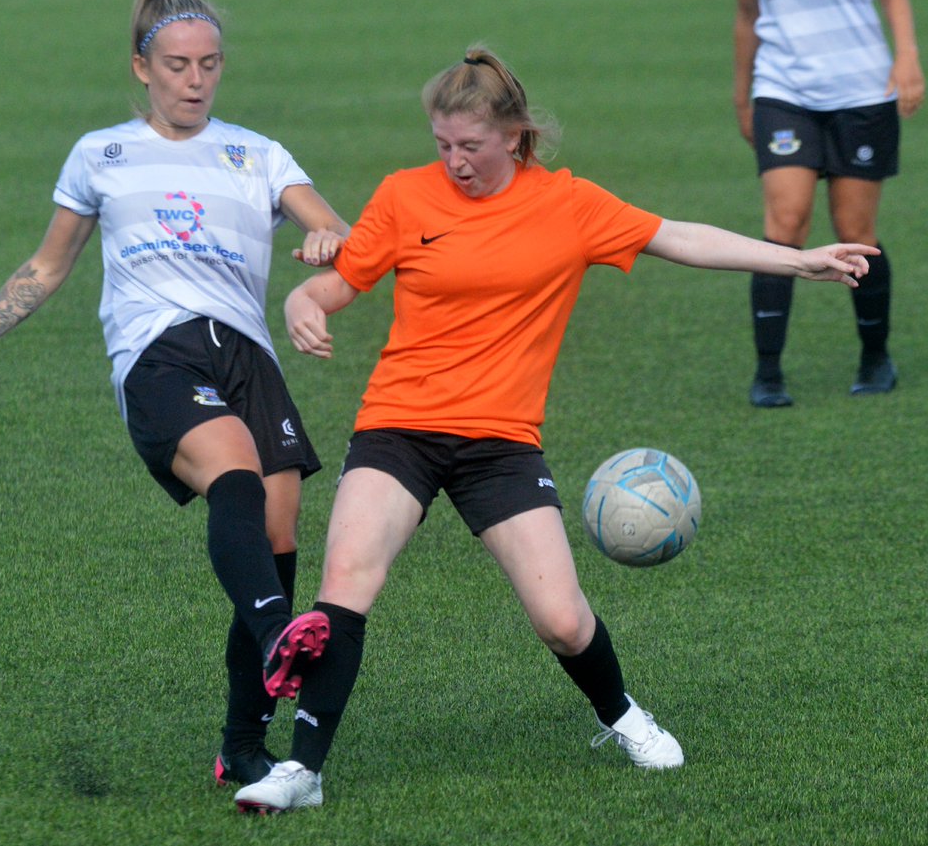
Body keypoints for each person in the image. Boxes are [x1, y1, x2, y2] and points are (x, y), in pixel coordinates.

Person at [230, 45, 879, 813]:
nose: (454, 162)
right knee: (345, 584)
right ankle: (302, 770)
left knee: (563, 620)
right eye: (442, 144)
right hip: (398, 426)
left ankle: (622, 713)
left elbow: (679, 236)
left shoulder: (568, 205)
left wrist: (798, 262)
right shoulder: (405, 195)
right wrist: (303, 303)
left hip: (501, 442)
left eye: (470, 145)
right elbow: (336, 283)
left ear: (515, 136)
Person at [0, 0, 350, 789]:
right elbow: (48, 265)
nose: (195, 80)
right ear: (142, 67)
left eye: (210, 64)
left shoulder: (257, 154)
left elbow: (331, 222)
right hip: (158, 353)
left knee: (277, 536)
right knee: (235, 478)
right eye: (178, 65)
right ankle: (276, 635)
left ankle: (242, 745)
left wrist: (326, 241)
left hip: (247, 355)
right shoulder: (100, 155)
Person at [729, 0, 925, 407]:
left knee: (855, 231)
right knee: (786, 223)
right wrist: (742, 98)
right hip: (782, 91)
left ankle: (875, 357)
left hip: (864, 92)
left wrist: (907, 57)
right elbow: (747, 12)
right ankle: (768, 371)